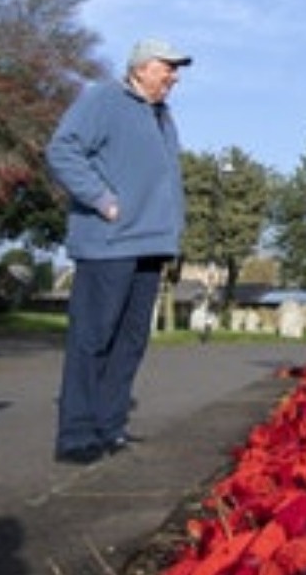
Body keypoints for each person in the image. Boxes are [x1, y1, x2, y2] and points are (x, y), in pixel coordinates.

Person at [46, 37, 191, 464]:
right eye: (168, 66)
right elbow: (62, 149)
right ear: (142, 67)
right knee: (93, 338)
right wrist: (102, 199)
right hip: (109, 244)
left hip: (151, 245)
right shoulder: (104, 99)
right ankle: (75, 434)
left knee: (131, 341)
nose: (174, 76)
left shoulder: (163, 115)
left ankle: (109, 427)